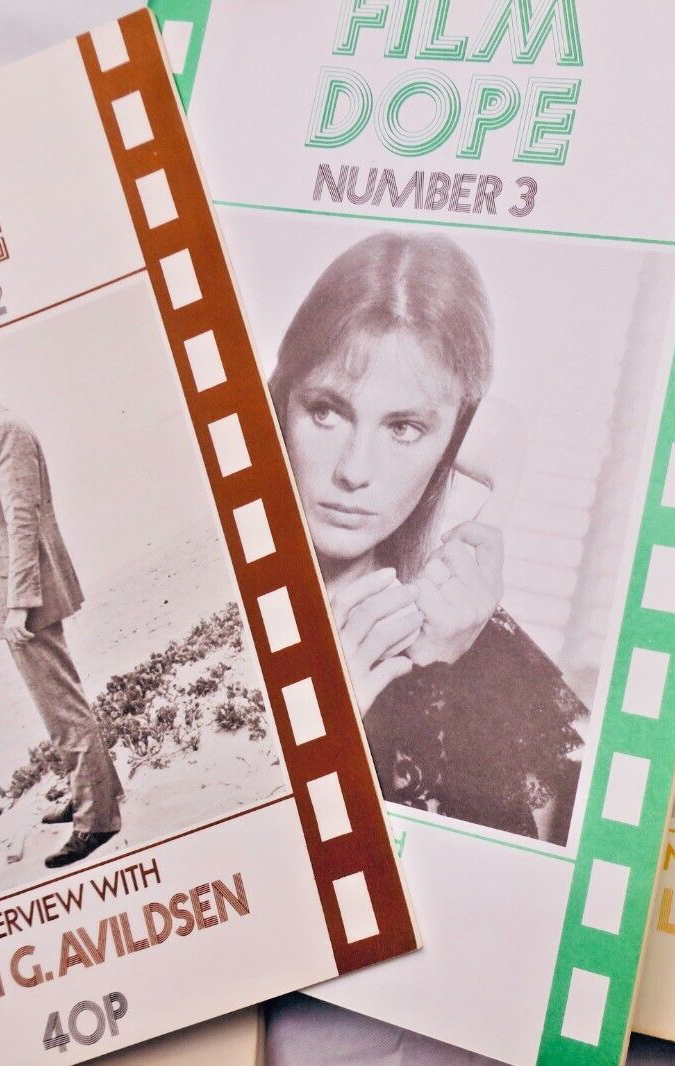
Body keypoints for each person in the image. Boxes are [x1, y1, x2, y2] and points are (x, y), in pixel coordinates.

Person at [270, 231, 584, 844]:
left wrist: (436, 670)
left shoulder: (478, 652)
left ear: (456, 443)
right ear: (281, 401)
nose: (354, 470)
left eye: (405, 428)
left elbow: (495, 884)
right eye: (326, 411)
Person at [0, 357, 123, 868]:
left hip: (26, 601)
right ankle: (97, 792)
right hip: (23, 598)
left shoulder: (5, 430)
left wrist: (19, 603)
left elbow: (22, 521)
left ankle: (97, 820)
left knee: (62, 710)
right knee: (62, 702)